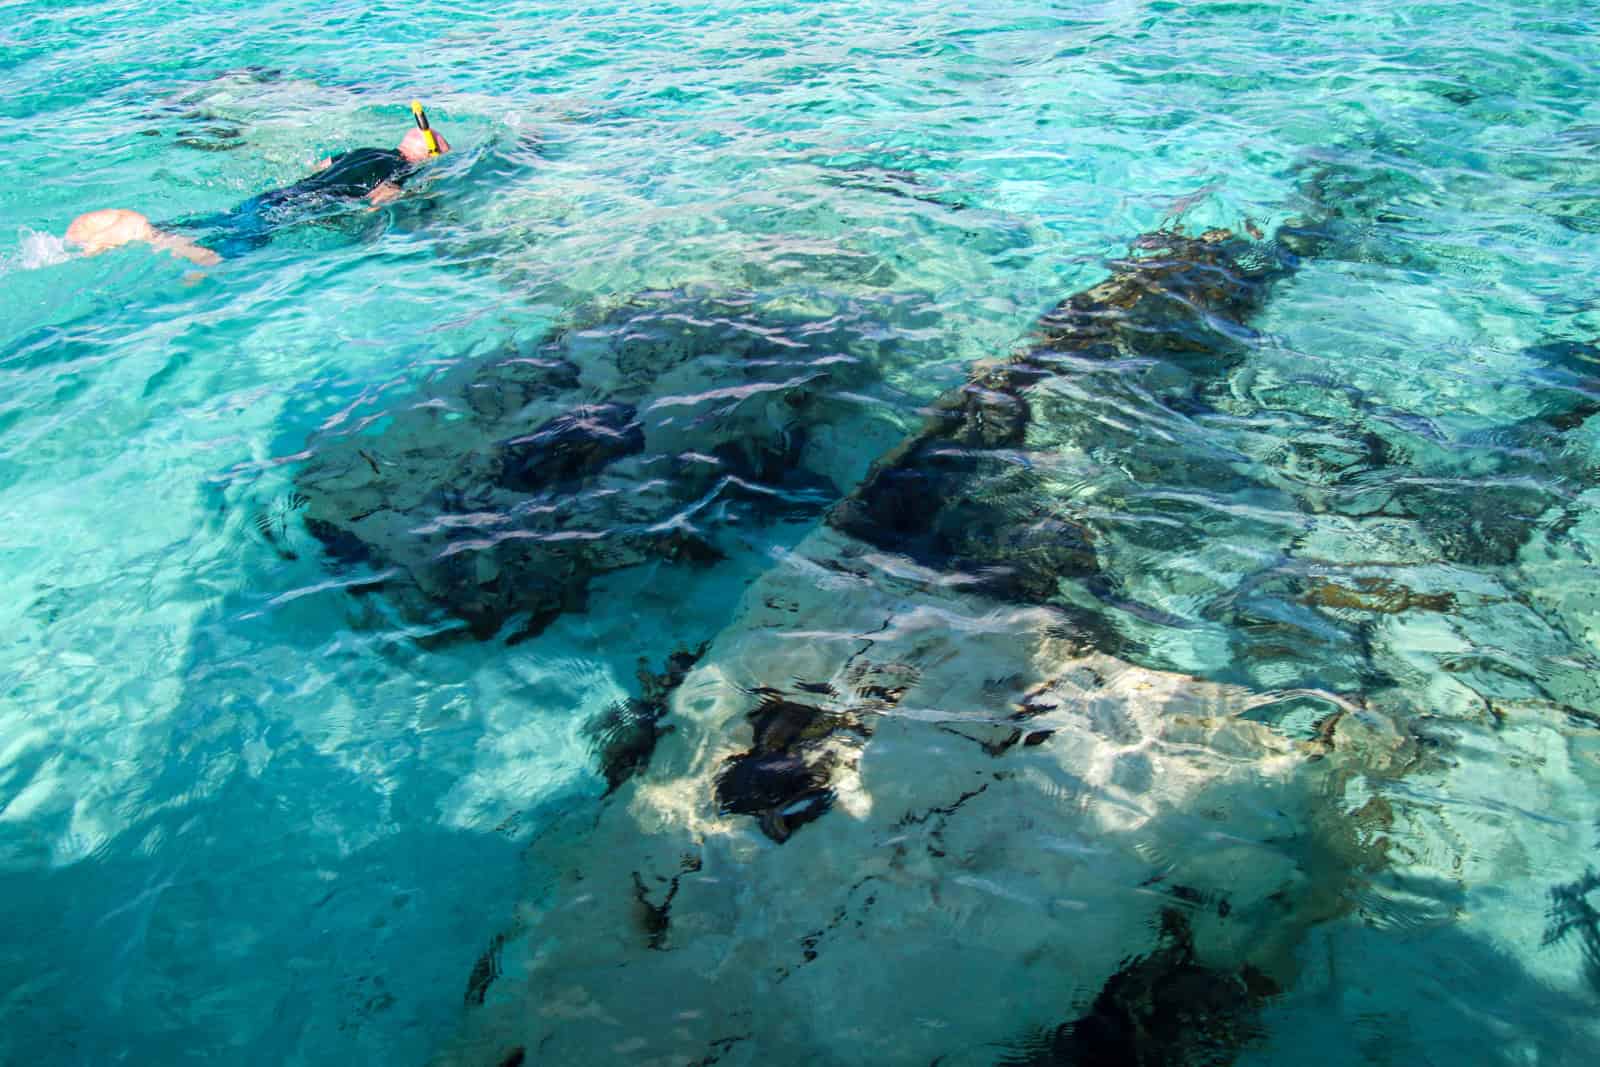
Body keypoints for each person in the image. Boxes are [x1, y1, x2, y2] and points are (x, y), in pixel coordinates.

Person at [63, 122, 452, 267]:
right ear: (427, 156)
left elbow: (321, 164)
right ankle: (147, 233)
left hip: (283, 192)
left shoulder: (364, 150)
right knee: (222, 255)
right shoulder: (398, 169)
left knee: (224, 219)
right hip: (302, 206)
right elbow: (382, 197)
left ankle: (144, 230)